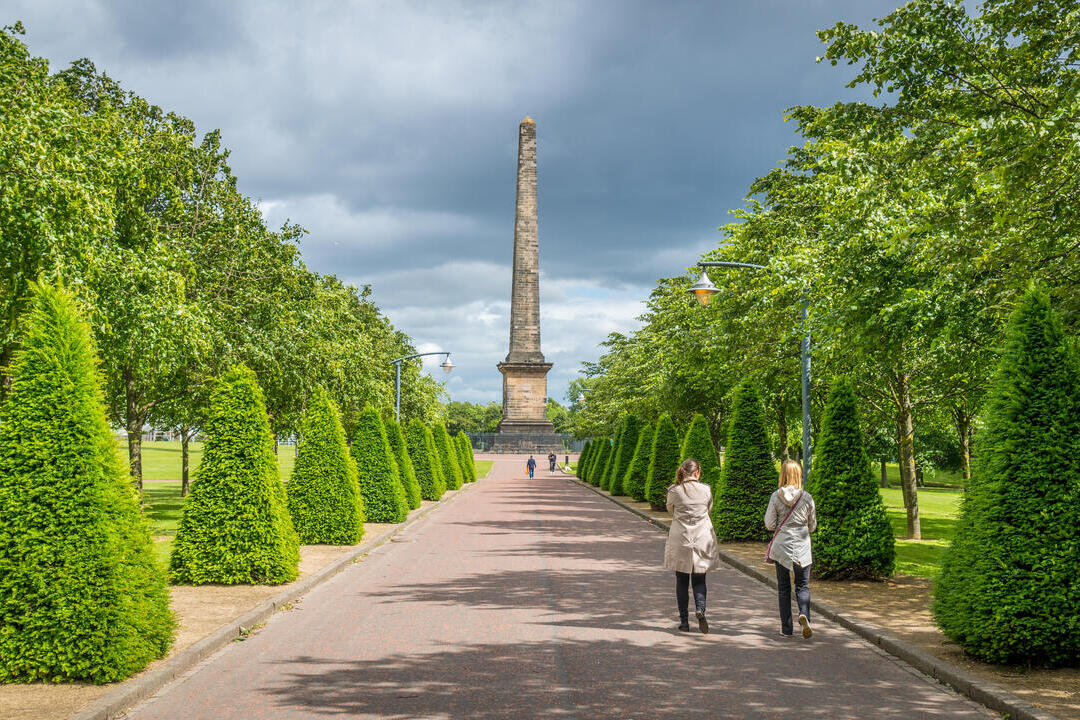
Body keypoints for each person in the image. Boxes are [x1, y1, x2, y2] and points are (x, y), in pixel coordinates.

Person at [663, 458, 721, 633]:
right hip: (702, 537)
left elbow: (670, 509)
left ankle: (684, 621)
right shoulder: (706, 490)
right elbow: (708, 509)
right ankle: (700, 609)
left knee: (681, 579)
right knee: (699, 578)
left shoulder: (675, 491)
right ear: (697, 473)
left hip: (681, 537)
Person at [764, 460, 817, 639]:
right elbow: (812, 526)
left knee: (784, 588)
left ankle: (786, 629)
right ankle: (804, 614)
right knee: (802, 586)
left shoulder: (775, 496)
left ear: (783, 475)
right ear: (799, 475)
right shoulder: (807, 497)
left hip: (782, 546)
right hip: (801, 545)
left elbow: (770, 524)